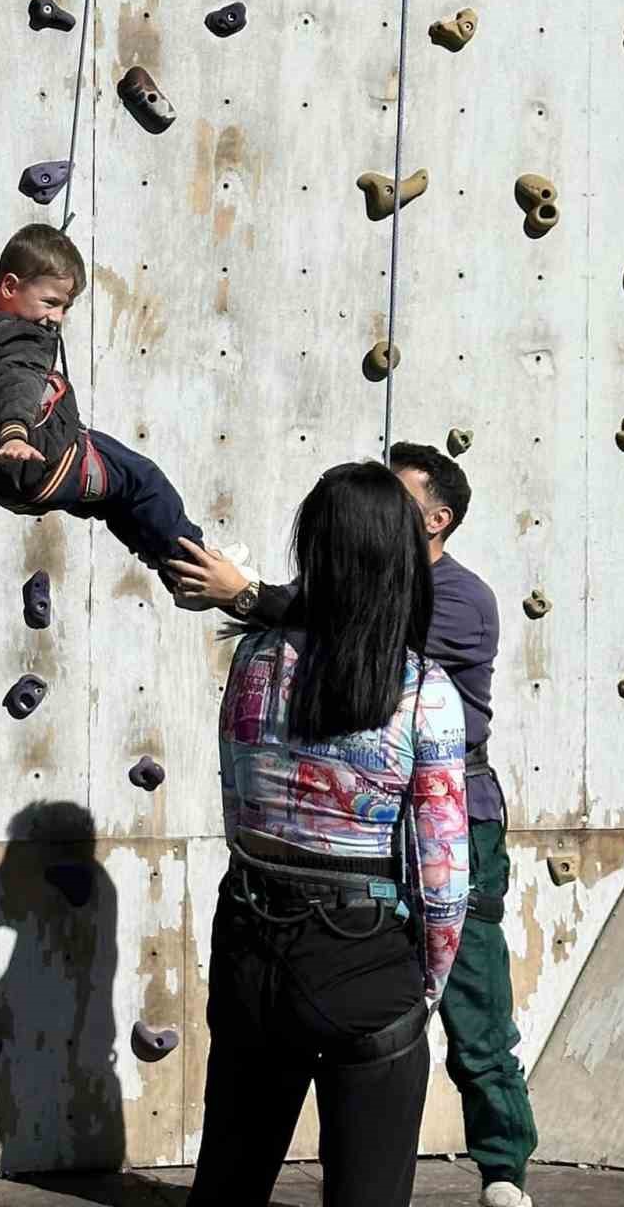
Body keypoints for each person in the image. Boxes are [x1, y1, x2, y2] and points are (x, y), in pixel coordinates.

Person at [172, 441, 538, 1207]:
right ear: (402, 556)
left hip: (250, 939)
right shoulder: (420, 689)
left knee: (227, 1185)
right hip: (364, 957)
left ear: (316, 551)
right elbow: (442, 875)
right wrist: (422, 989)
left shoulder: (255, 662)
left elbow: (239, 805)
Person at [0, 222, 244, 602]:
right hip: (50, 459)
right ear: (10, 287)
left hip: (3, 475)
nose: (57, 317)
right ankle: (200, 566)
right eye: (50, 303)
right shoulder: (17, 341)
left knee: (117, 505)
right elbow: (15, 386)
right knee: (144, 482)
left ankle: (177, 575)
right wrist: (14, 433)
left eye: (65, 306)